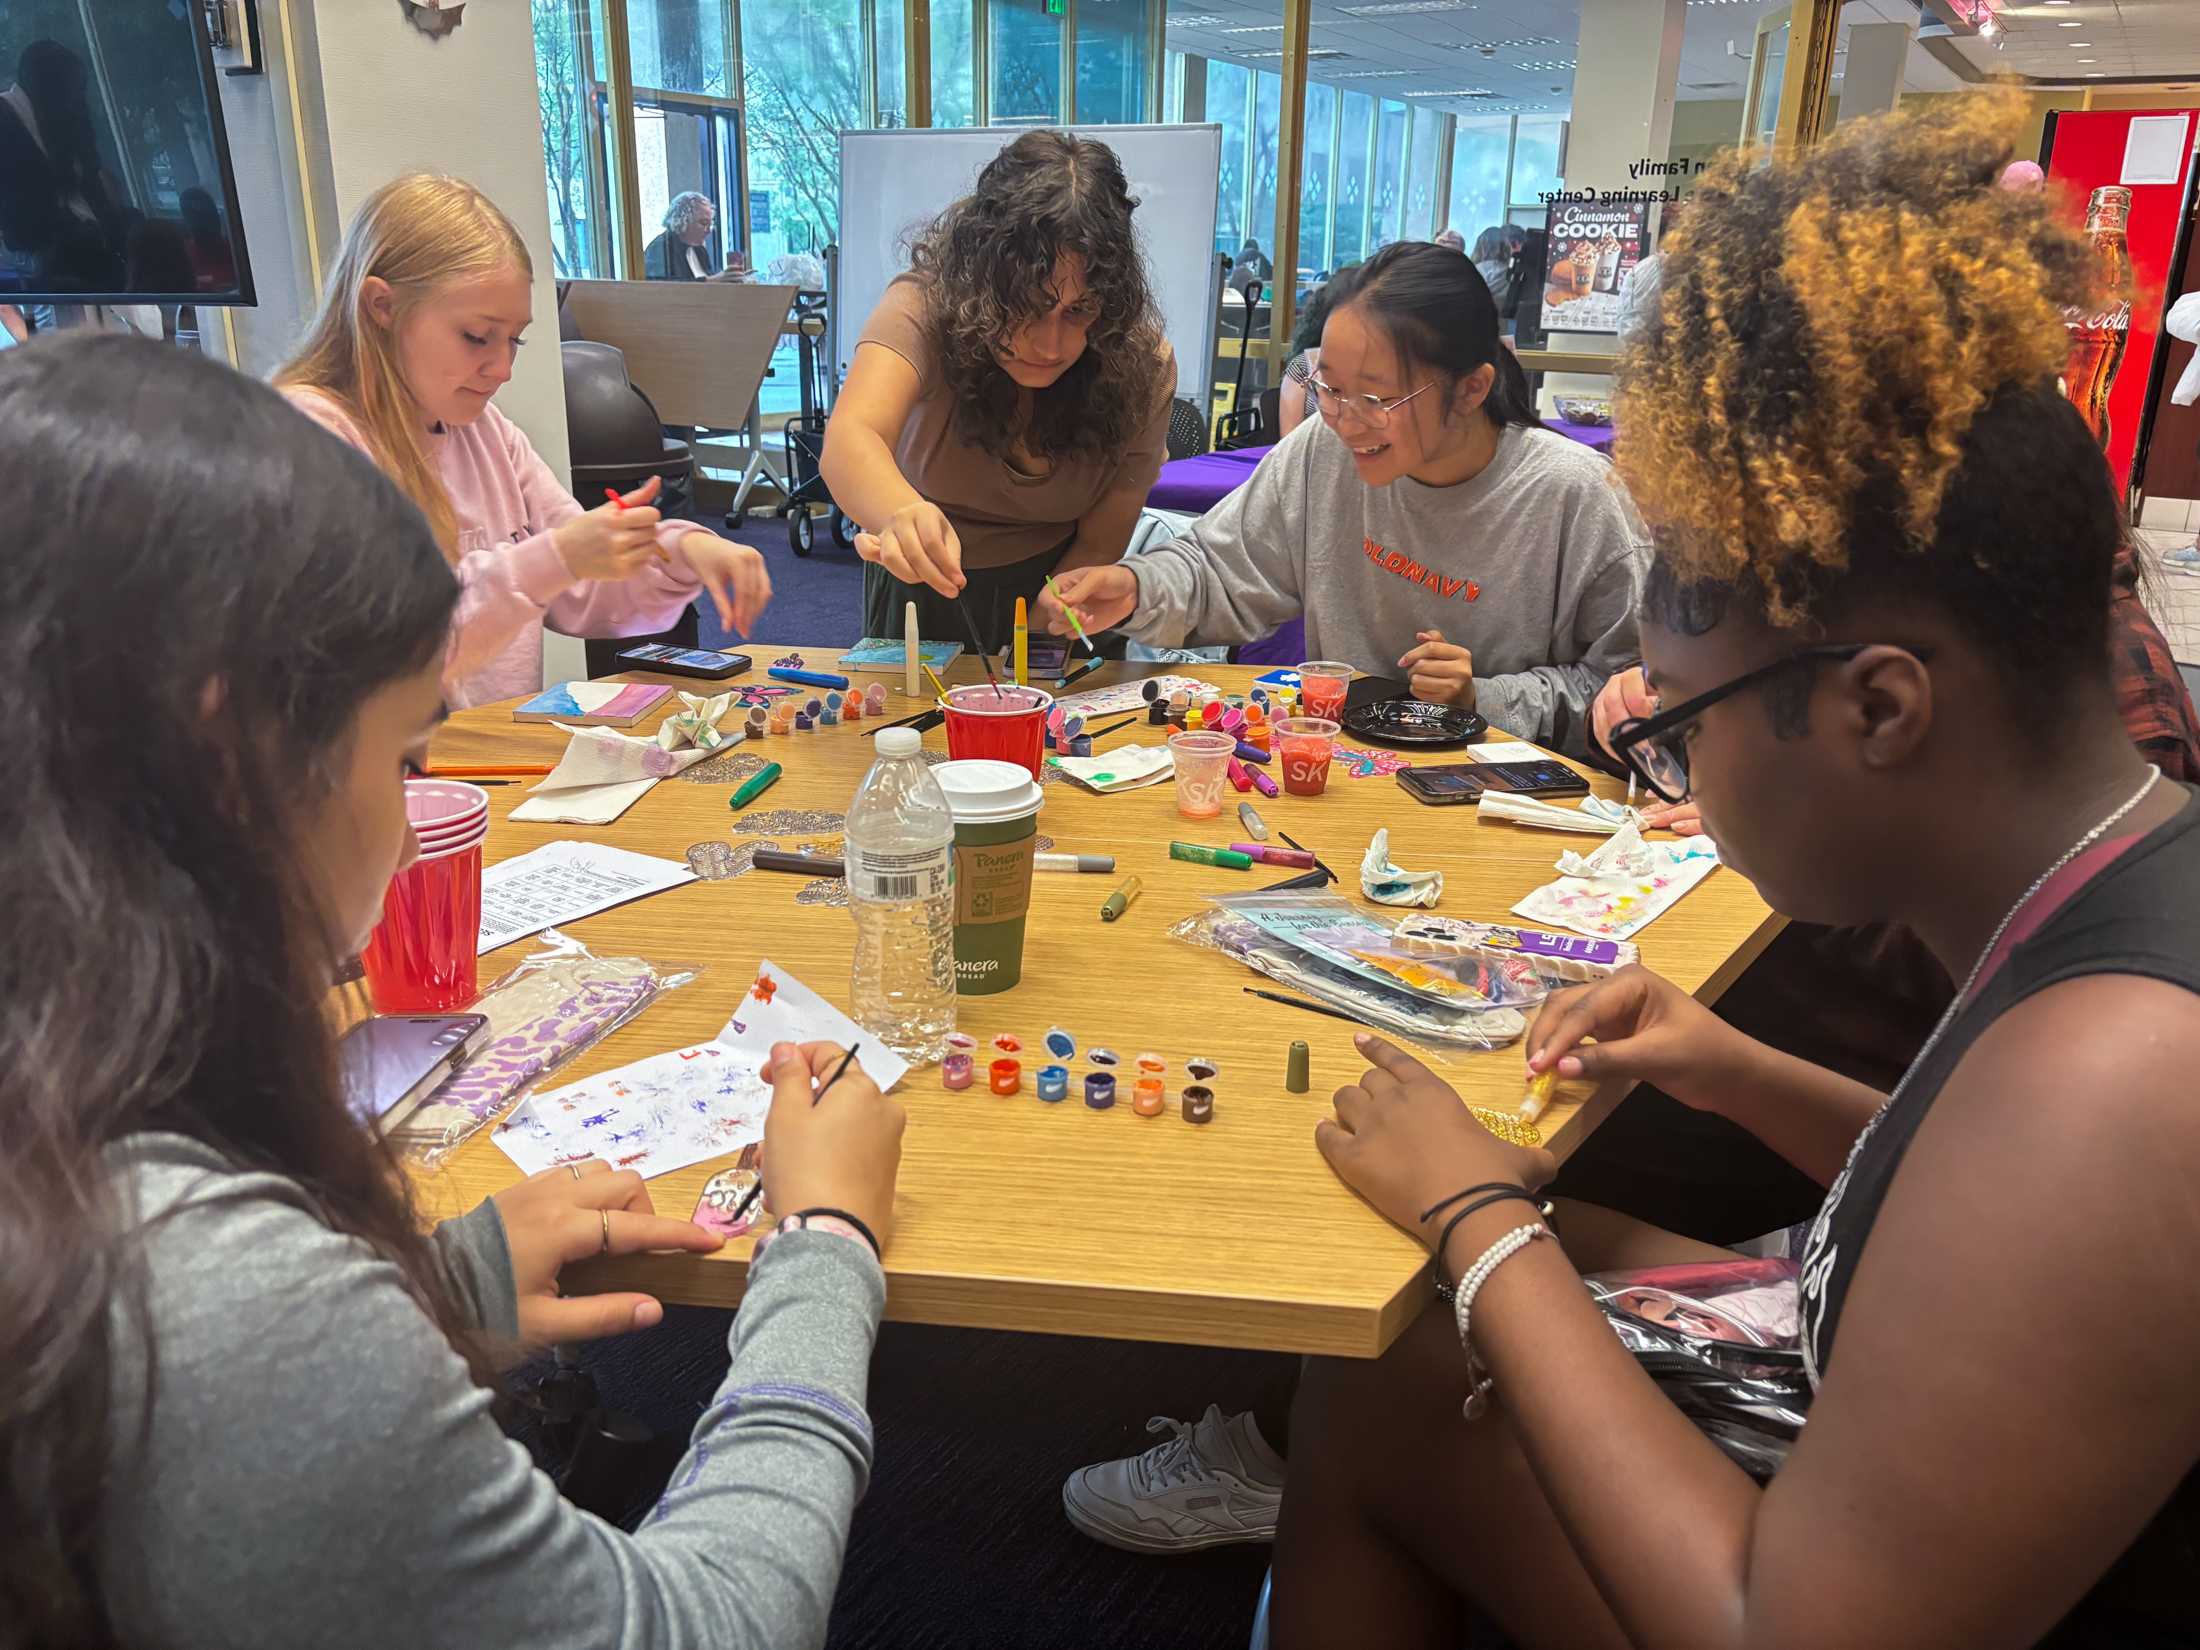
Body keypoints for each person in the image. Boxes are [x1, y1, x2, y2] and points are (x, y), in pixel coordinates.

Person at [1273, 97, 2200, 1650]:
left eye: (1684, 727)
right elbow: (1960, 1210)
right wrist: (1731, 1064)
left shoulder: (2118, 1075)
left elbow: (1781, 1629)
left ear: (1880, 706)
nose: (1675, 771)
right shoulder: (2108, 876)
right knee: (1435, 1292)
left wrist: (1483, 1216)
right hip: (1856, 1360)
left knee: (1387, 1377)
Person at [0, 332, 907, 1648]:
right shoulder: (219, 1304)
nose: (425, 801)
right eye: (409, 748)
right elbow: (705, 1626)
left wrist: (433, 1283)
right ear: (237, 756)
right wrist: (825, 1248)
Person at [1039, 240, 1643, 757]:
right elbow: (1220, 570)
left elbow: (1634, 695)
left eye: (1376, 399)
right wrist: (1136, 588)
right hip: (1340, 777)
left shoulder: (1577, 498)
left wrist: (1482, 697)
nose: (1345, 422)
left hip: (1508, 804)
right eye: (1329, 388)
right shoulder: (1321, 454)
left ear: (1471, 390)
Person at [277, 173, 771, 710]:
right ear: (381, 306)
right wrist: (555, 558)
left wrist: (678, 551)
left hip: (484, 765)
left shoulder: (485, 431)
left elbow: (582, 587)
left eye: (514, 339)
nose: (502, 368)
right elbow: (389, 656)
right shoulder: (308, 439)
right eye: (475, 337)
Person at [821, 129, 1174, 650]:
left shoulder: (1141, 362)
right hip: (922, 590)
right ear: (980, 284)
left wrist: (1051, 617)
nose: (1050, 344)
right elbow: (852, 436)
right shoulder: (922, 306)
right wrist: (901, 511)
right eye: (1024, 306)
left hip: (1058, 589)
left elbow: (1105, 533)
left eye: (1078, 311)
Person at [644, 191, 726, 282]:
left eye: (710, 224)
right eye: (704, 223)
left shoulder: (699, 249)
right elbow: (662, 288)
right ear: (683, 220)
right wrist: (712, 280)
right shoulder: (661, 248)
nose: (709, 231)